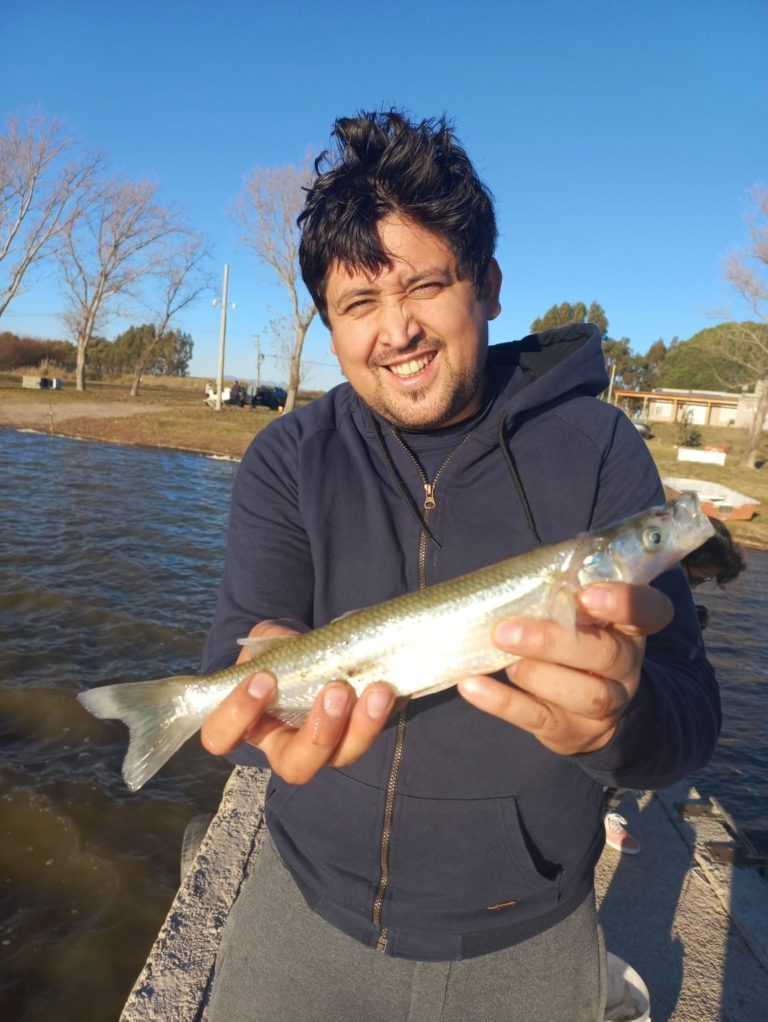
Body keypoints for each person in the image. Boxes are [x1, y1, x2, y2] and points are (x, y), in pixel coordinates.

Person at [198, 110, 720, 1022]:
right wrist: (251, 694)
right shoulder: (287, 456)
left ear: (487, 285)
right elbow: (237, 660)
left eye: (427, 286)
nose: (396, 330)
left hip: (529, 935)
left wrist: (617, 722)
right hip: (301, 908)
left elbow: (691, 718)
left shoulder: (598, 449)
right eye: (360, 305)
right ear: (330, 325)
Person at [602, 517, 745, 855]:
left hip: (645, 675)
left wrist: (689, 619)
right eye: (701, 577)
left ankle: (605, 807)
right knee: (630, 737)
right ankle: (599, 811)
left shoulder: (671, 583)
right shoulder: (644, 572)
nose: (698, 584)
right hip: (623, 675)